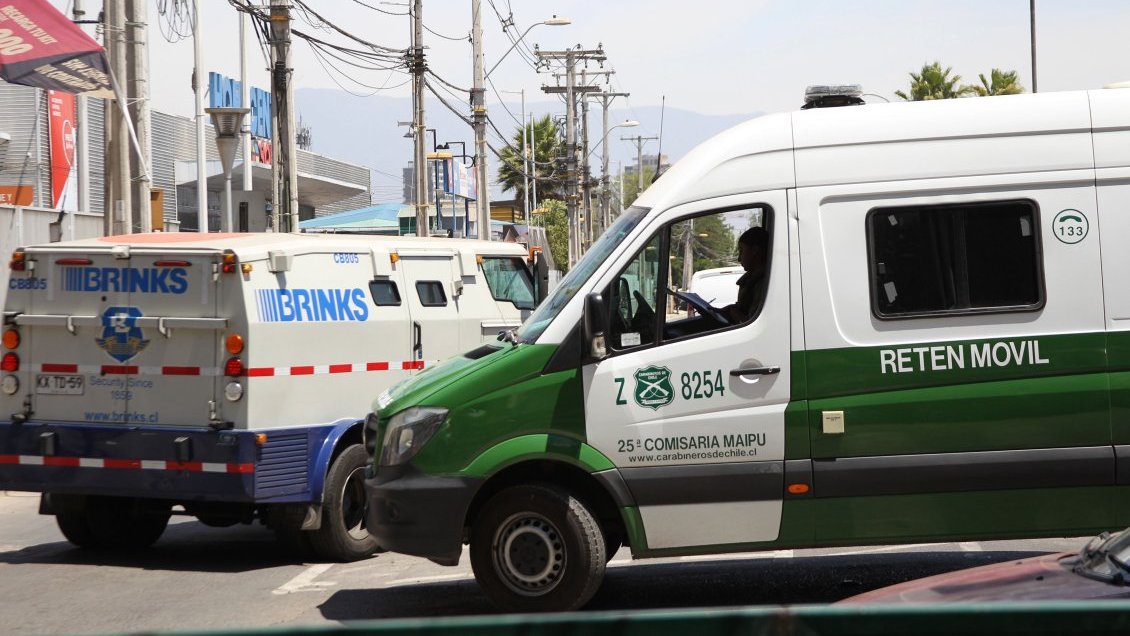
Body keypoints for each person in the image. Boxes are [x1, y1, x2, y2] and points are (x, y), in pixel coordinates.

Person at [722, 226, 768, 323]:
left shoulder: (764, 284)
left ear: (755, 250)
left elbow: (752, 324)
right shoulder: (752, 280)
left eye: (742, 251)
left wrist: (733, 312)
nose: (739, 259)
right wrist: (731, 308)